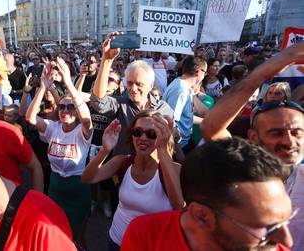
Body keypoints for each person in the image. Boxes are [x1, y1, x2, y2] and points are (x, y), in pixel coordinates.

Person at [201, 40, 304, 250]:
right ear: (253, 137)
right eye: (276, 133)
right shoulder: (245, 169)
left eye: (296, 132)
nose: (289, 140)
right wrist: (264, 71)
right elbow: (211, 126)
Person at [121, 137, 294, 251]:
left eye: (287, 219)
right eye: (267, 227)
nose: (287, 242)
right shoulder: (146, 234)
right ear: (201, 216)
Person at [82, 110, 184, 250]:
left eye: (151, 134)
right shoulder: (122, 161)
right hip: (117, 241)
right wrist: (105, 150)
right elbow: (88, 178)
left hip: (150, 246)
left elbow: (179, 206)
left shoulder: (175, 170)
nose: (143, 137)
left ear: (163, 136)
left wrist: (162, 149)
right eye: (137, 132)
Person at [25, 57, 93, 242]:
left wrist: (69, 84)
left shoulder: (83, 131)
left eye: (71, 107)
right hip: (56, 187)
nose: (65, 110)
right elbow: (30, 118)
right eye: (62, 107)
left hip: (78, 189)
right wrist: (43, 86)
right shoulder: (53, 128)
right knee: (57, 234)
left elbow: (86, 118)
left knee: (78, 239)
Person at [90, 32, 174, 156]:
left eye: (139, 84)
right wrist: (106, 60)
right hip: (122, 169)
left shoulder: (163, 109)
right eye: (129, 83)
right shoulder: (120, 104)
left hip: (153, 169)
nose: (133, 89)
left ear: (151, 85)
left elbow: (174, 139)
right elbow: (98, 100)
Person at [162, 56, 207, 152]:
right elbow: (171, 122)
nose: (205, 75)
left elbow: (185, 116)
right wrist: (179, 154)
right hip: (179, 146)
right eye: (205, 72)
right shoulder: (181, 89)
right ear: (198, 72)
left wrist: (204, 121)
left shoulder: (185, 87)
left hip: (184, 142)